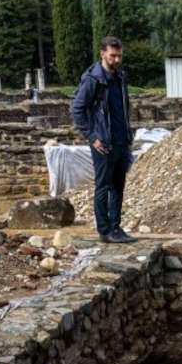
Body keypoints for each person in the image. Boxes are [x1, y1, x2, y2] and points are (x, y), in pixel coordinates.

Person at [71, 36, 138, 245]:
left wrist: (128, 136)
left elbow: (123, 109)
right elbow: (76, 109)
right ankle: (104, 229)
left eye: (119, 55)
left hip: (121, 141)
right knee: (103, 186)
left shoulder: (120, 77)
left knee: (118, 186)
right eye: (113, 55)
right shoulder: (93, 80)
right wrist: (92, 137)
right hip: (103, 142)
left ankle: (116, 228)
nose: (116, 60)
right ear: (102, 53)